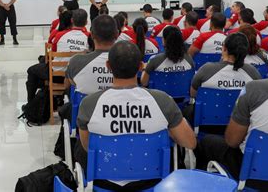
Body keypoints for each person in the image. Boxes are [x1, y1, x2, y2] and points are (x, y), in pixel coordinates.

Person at [76, 41, 196, 190]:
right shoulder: (163, 101)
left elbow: (88, 147)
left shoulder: (89, 104)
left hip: (104, 183)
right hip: (153, 183)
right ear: (140, 67)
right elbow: (190, 143)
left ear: (108, 66)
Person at [195, 30, 268, 191]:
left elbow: (232, 141)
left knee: (206, 142)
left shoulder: (254, 90)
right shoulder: (254, 76)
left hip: (255, 174)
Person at [184, 33, 261, 126]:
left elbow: (194, 94)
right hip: (241, 127)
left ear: (224, 48)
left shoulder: (206, 69)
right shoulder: (253, 72)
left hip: (208, 124)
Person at [25, 9, 89, 102]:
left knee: (32, 71)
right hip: (80, 76)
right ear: (86, 22)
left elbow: (52, 54)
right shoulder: (89, 37)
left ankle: (31, 105)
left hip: (58, 76)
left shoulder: (59, 35)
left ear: (72, 20)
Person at [66, 15, 118, 96]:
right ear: (117, 34)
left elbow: (69, 85)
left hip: (85, 107)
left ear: (92, 35)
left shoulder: (75, 61)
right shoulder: (128, 61)